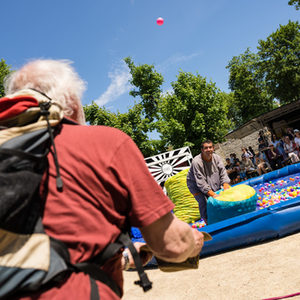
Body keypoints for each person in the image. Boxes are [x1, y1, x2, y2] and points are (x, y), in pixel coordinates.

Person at [3, 59, 204, 300]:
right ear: (73, 103)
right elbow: (172, 246)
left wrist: (124, 256)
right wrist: (193, 239)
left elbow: (33, 253)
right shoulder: (107, 143)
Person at [186, 140, 231, 224]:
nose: (208, 149)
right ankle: (207, 221)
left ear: (213, 148)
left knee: (219, 194)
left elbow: (223, 173)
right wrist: (213, 195)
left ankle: (222, 216)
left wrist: (226, 187)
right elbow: (201, 182)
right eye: (206, 148)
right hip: (195, 184)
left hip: (212, 178)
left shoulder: (217, 158)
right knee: (203, 201)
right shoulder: (197, 162)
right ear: (202, 150)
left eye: (210, 147)